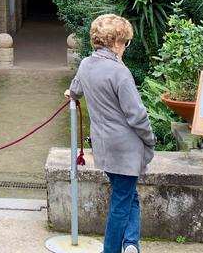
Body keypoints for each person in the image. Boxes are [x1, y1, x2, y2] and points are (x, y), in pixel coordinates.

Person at [64, 14, 154, 253]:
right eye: (125, 42)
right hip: (127, 148)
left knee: (126, 194)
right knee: (121, 203)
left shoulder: (85, 64)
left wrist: (71, 95)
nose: (125, 47)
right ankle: (113, 249)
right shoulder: (119, 72)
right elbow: (137, 114)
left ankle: (131, 244)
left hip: (103, 147)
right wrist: (150, 140)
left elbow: (75, 89)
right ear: (115, 43)